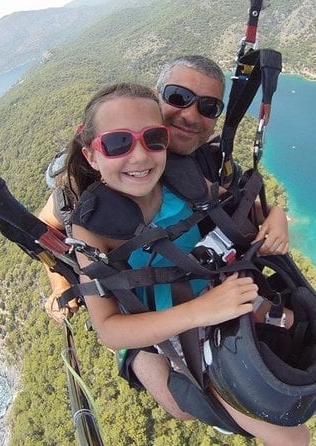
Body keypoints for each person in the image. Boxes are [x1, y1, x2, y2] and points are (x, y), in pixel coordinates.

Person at [64, 82, 316, 444]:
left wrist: (276, 214)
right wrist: (201, 311)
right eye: (118, 143)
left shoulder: (181, 182)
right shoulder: (92, 226)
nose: (138, 157)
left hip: (224, 293)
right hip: (179, 332)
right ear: (92, 155)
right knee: (294, 439)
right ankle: (237, 408)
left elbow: (240, 210)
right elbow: (109, 329)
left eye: (153, 139)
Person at [39, 55, 232, 319]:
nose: (190, 115)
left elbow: (234, 206)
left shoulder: (207, 163)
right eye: (177, 97)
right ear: (155, 99)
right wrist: (59, 281)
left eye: (208, 107)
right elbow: (46, 226)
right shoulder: (86, 181)